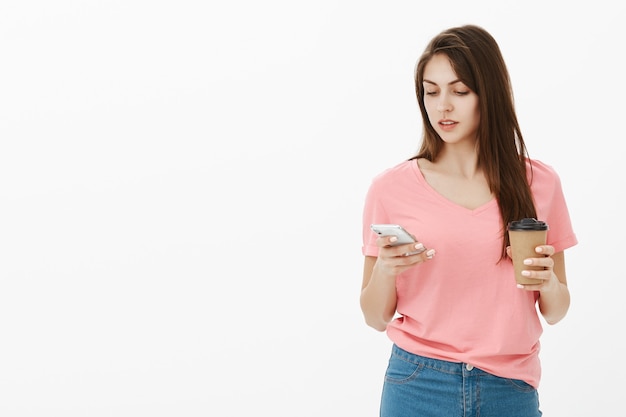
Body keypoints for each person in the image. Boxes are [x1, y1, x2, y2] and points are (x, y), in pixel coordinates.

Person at [360, 24, 577, 417]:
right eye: (431, 91)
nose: (443, 105)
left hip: (508, 389)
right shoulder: (389, 188)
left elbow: (557, 310)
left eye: (459, 91)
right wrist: (387, 272)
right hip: (416, 384)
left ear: (487, 95)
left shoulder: (539, 184)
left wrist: (547, 281)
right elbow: (374, 317)